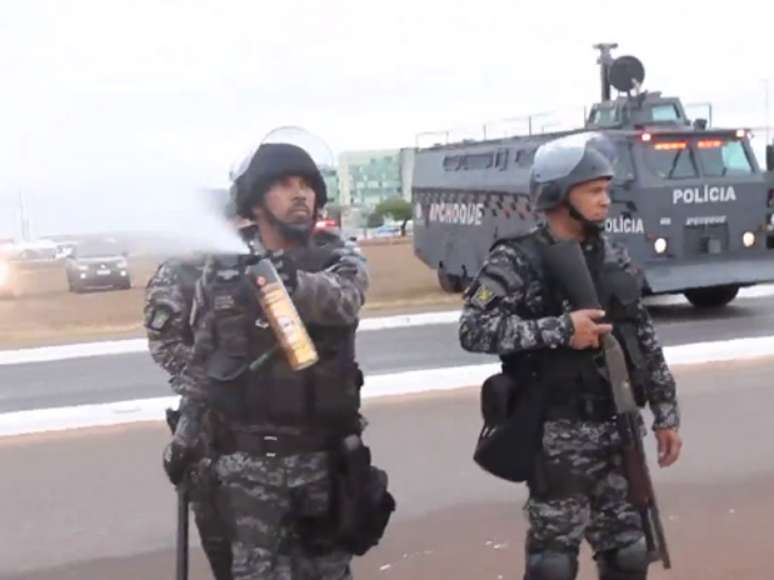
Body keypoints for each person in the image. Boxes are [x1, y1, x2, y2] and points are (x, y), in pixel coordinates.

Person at [459, 132, 682, 580]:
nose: (606, 201)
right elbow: (474, 329)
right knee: (553, 562)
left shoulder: (613, 256)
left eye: (607, 190)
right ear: (559, 195)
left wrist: (665, 413)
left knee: (628, 554)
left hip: (618, 427)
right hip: (556, 433)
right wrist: (562, 330)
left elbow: (642, 338)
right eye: (594, 191)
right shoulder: (518, 259)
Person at [183, 128, 393, 579]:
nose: (301, 195)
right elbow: (202, 359)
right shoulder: (222, 271)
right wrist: (186, 433)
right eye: (284, 185)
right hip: (248, 469)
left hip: (323, 461)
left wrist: (286, 280)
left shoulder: (338, 257)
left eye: (308, 185)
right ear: (255, 202)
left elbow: (343, 300)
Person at [144, 194, 255, 580]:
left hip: (264, 421)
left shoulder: (253, 265)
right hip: (209, 424)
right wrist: (215, 381)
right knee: (220, 537)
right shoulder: (176, 275)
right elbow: (165, 346)